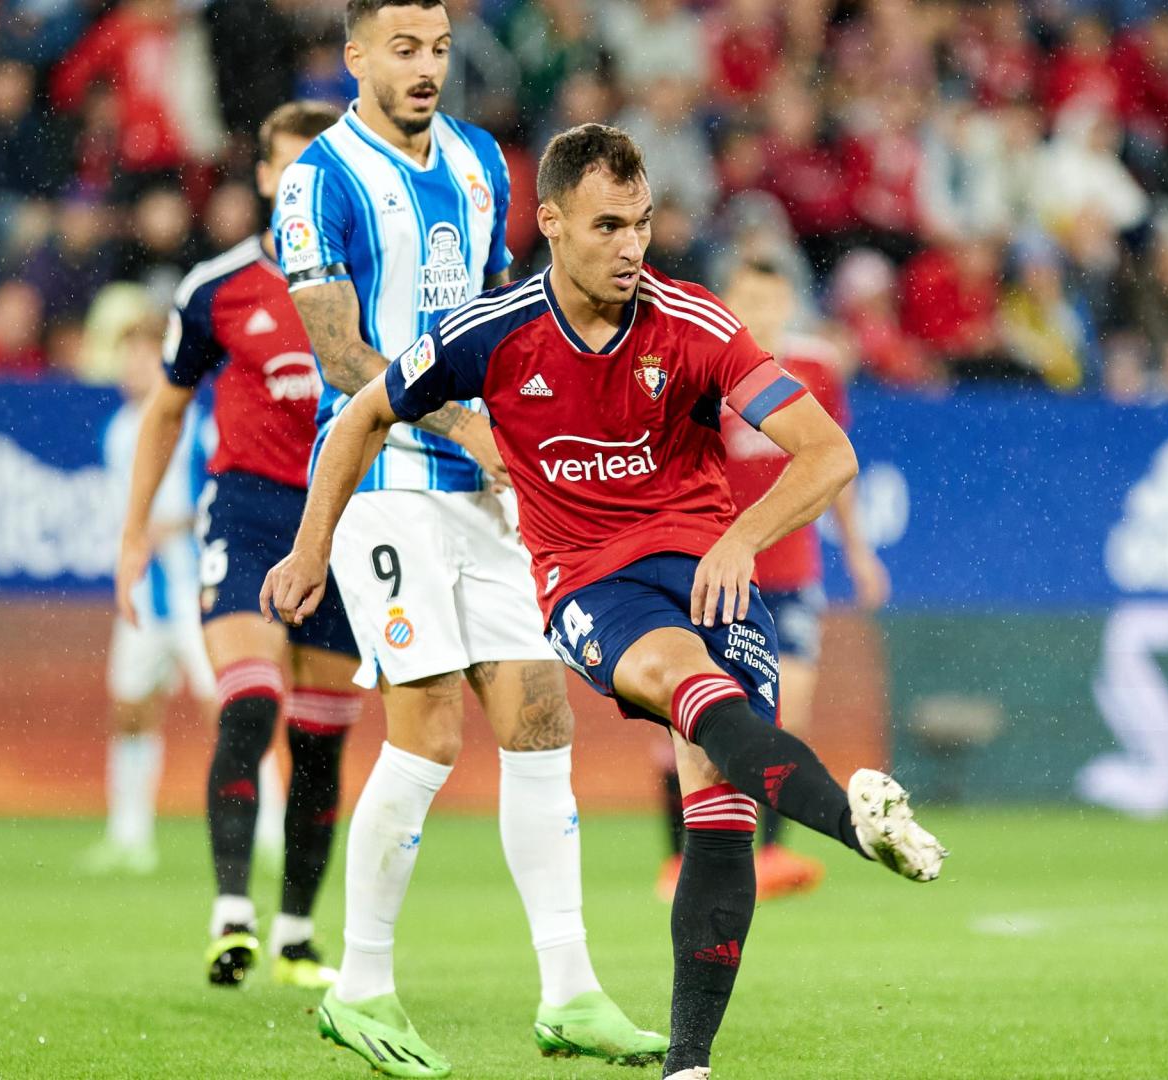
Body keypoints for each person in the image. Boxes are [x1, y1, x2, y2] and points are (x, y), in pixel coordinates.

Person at [263, 122, 946, 1080]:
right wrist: (307, 549)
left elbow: (827, 452)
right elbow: (361, 419)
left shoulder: (696, 325)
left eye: (644, 224)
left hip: (707, 565)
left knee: (720, 806)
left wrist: (744, 537)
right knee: (684, 686)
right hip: (591, 581)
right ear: (549, 223)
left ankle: (690, 1064)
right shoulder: (489, 334)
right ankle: (856, 824)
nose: (632, 246)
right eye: (608, 225)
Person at [268, 0, 663, 1070]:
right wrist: (464, 418)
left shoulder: (486, 160)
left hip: (485, 487)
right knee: (429, 733)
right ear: (355, 58)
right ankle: (360, 988)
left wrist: (539, 427)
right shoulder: (321, 177)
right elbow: (343, 353)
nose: (426, 66)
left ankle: (572, 993)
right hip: (386, 477)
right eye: (403, 49)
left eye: (438, 49)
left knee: (541, 721)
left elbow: (498, 313)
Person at [116, 101, 362, 990]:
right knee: (251, 704)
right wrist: (136, 530)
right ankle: (232, 915)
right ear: (264, 179)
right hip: (252, 511)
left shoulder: (370, 283)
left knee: (323, 741)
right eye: (290, 174)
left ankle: (297, 932)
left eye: (319, 176)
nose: (303, 191)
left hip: (346, 520)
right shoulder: (216, 287)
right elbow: (168, 408)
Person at [653, 259, 890, 903]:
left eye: (772, 298)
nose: (761, 310)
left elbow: (833, 464)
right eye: (749, 297)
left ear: (789, 302)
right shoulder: (708, 362)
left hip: (793, 570)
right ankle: (675, 859)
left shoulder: (814, 369)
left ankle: (774, 853)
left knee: (787, 705)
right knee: (686, 710)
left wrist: (859, 551)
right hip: (714, 568)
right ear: (731, 300)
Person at [86, 312, 216, 877]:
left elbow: (222, 497)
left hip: (195, 592)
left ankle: (265, 830)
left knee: (231, 710)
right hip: (143, 594)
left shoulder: (196, 424)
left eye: (143, 355)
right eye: (126, 357)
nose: (132, 367)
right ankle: (129, 836)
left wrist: (181, 525)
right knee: (131, 711)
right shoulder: (117, 431)